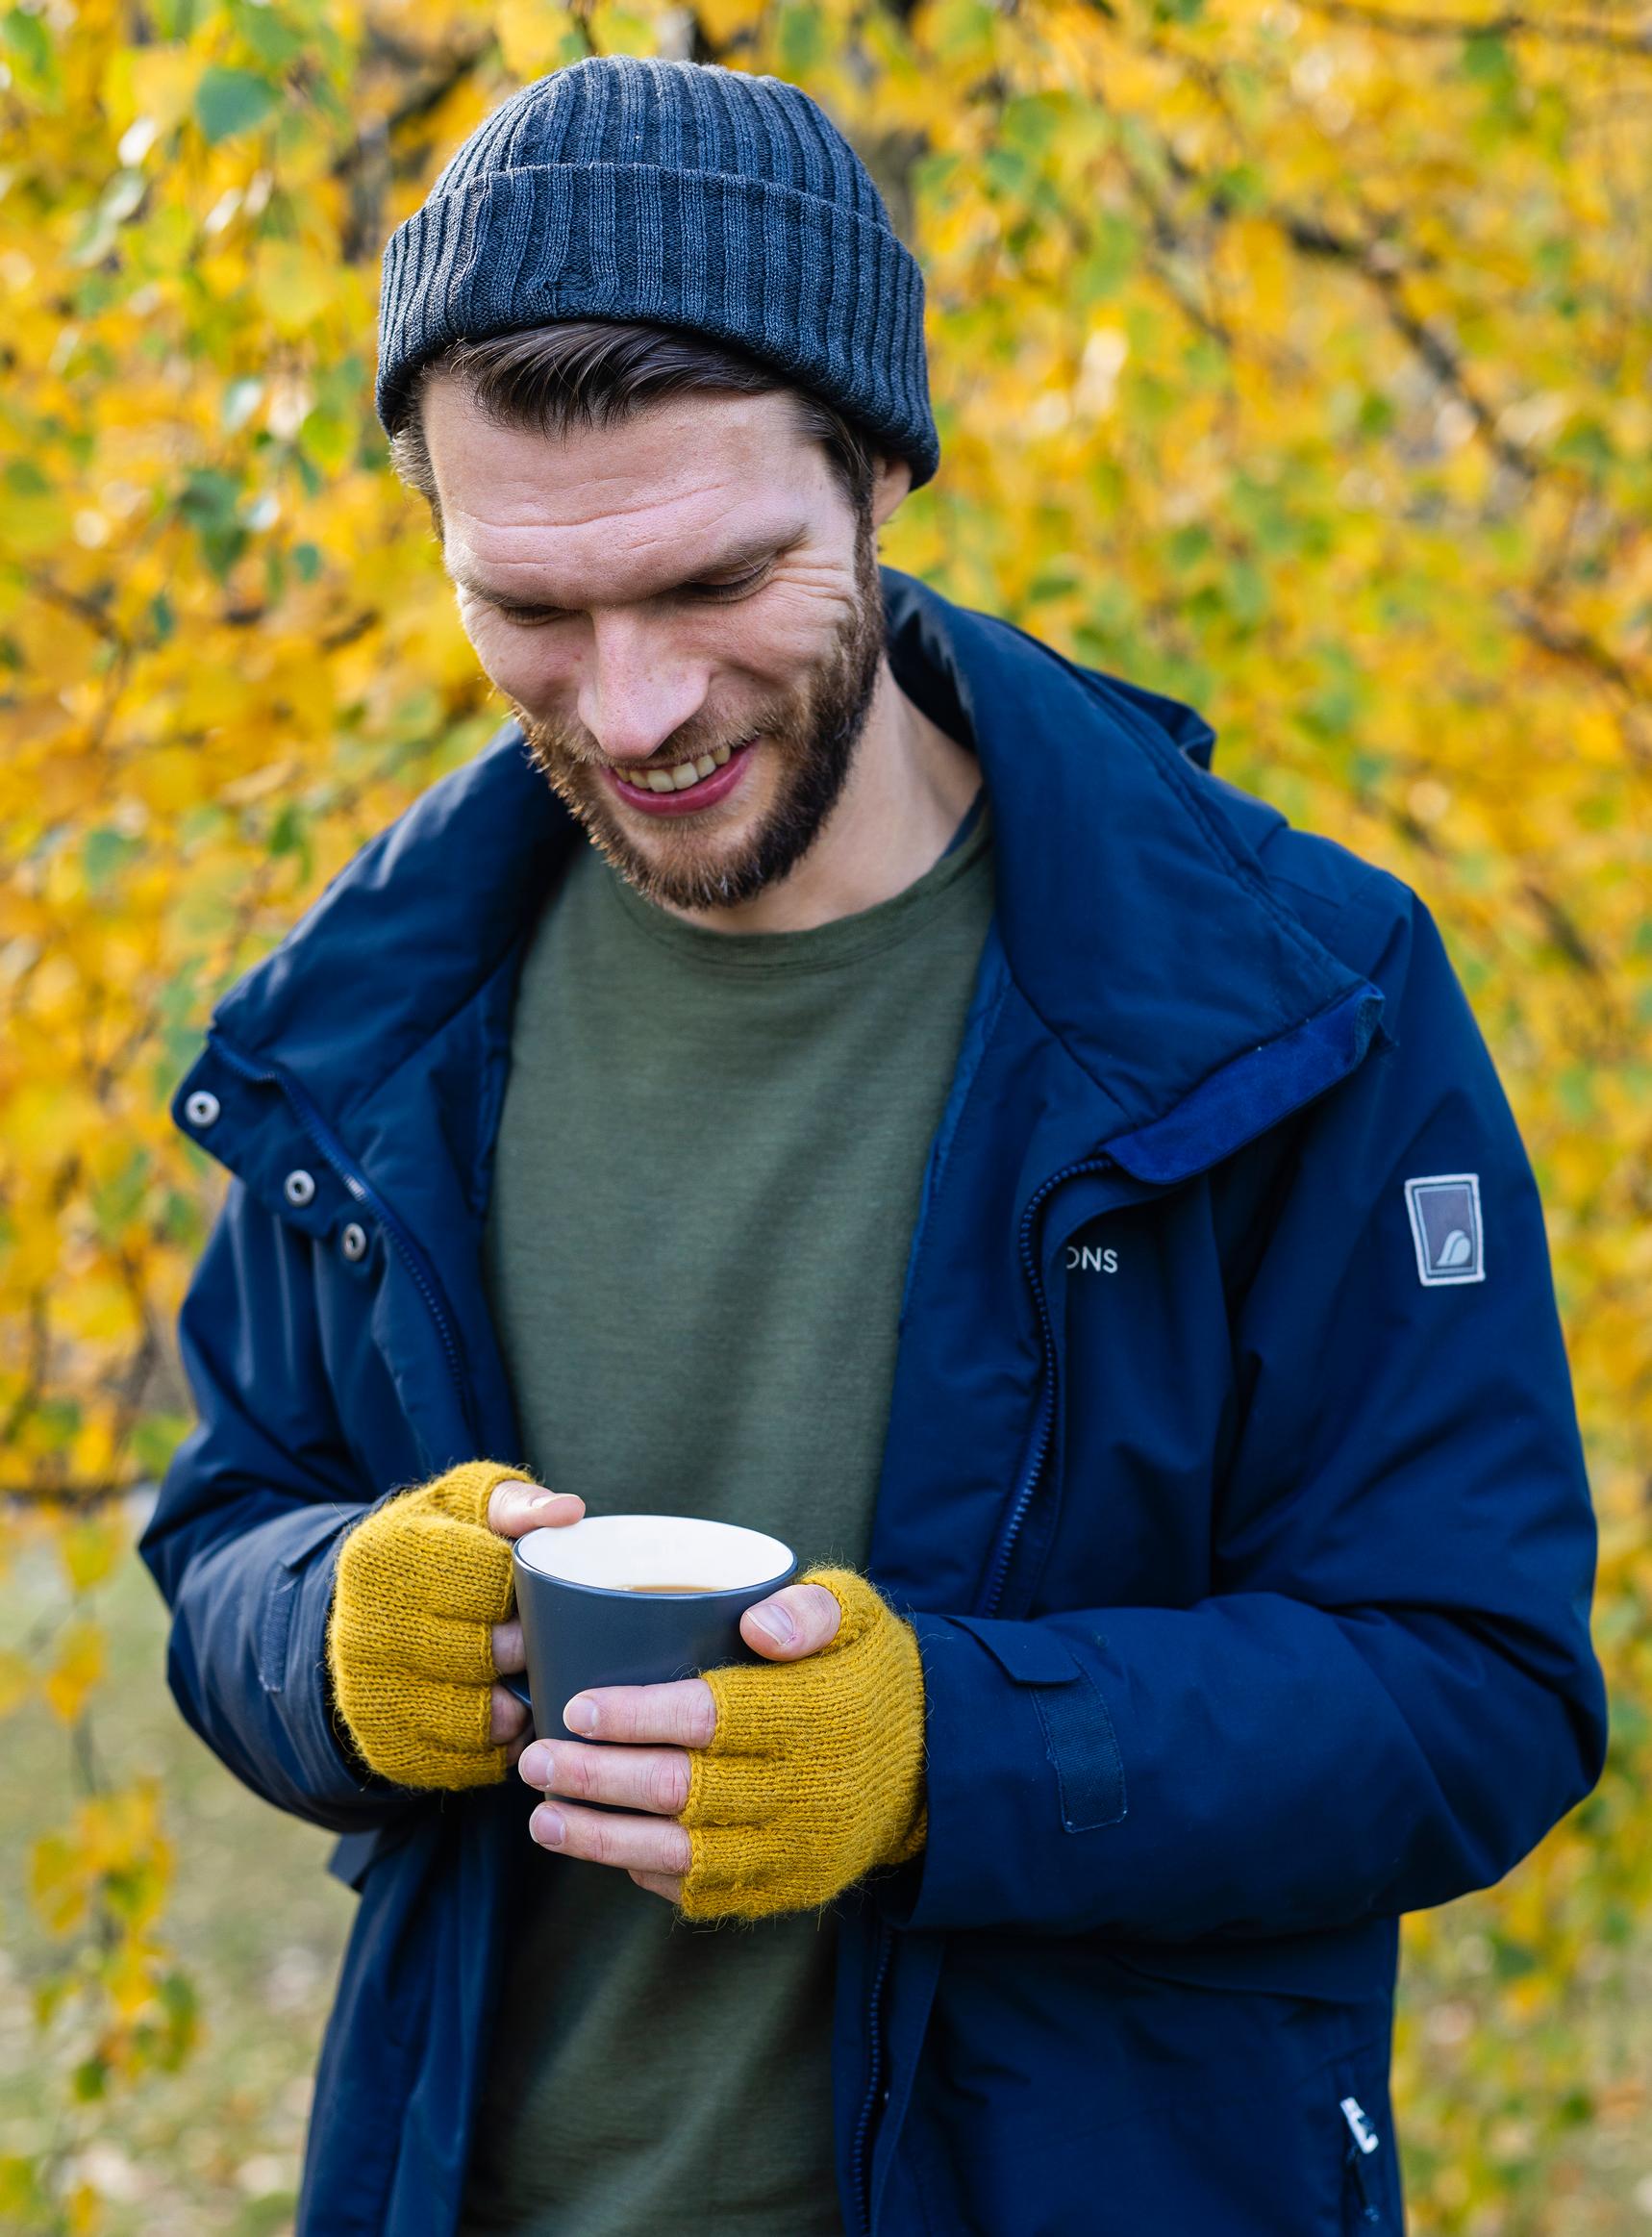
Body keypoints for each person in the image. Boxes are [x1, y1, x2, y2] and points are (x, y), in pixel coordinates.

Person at [138, 53, 1607, 2237]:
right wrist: (330, 1627)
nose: (630, 709)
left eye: (715, 581)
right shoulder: (375, 1017)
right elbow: (229, 1527)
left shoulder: (1296, 997)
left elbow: (1471, 1687)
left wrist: (950, 1753)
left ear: (879, 477)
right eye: (529, 610)